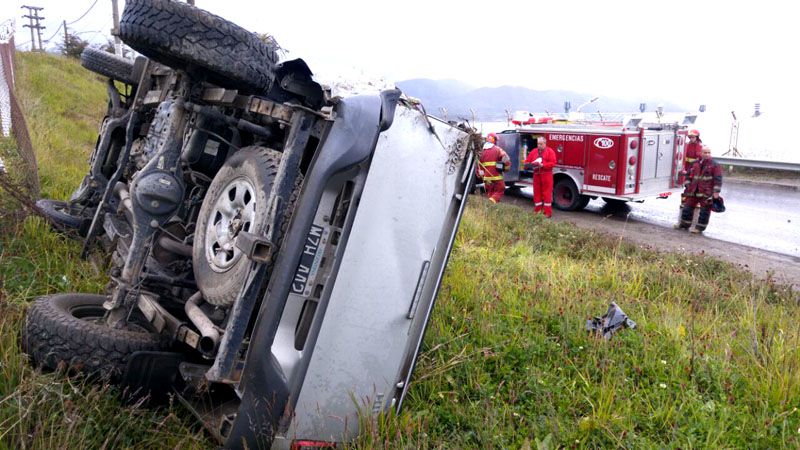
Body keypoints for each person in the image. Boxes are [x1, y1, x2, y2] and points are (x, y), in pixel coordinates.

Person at [676, 146, 722, 234]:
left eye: (709, 153)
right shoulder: (695, 163)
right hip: (693, 190)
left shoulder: (715, 165)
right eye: (705, 152)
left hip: (706, 192)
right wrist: (688, 184)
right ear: (701, 153)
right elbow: (688, 175)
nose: (707, 154)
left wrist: (716, 192)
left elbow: (718, 179)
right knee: (687, 208)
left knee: (704, 211)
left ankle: (700, 228)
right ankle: (684, 225)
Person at [524, 136, 557, 217]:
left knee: (547, 194)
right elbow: (527, 161)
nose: (539, 146)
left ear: (545, 144)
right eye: (538, 144)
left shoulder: (550, 152)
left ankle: (547, 213)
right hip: (536, 175)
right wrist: (528, 165)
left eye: (541, 144)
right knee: (537, 193)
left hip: (546, 175)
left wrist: (543, 165)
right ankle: (537, 211)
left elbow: (553, 163)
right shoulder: (534, 151)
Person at [477, 132, 511, 203]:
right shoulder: (498, 149)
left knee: (490, 192)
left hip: (486, 178)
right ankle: (491, 202)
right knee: (500, 189)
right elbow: (506, 159)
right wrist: (506, 168)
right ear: (493, 140)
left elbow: (479, 166)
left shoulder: (482, 151)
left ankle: (491, 206)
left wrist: (482, 176)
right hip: (496, 177)